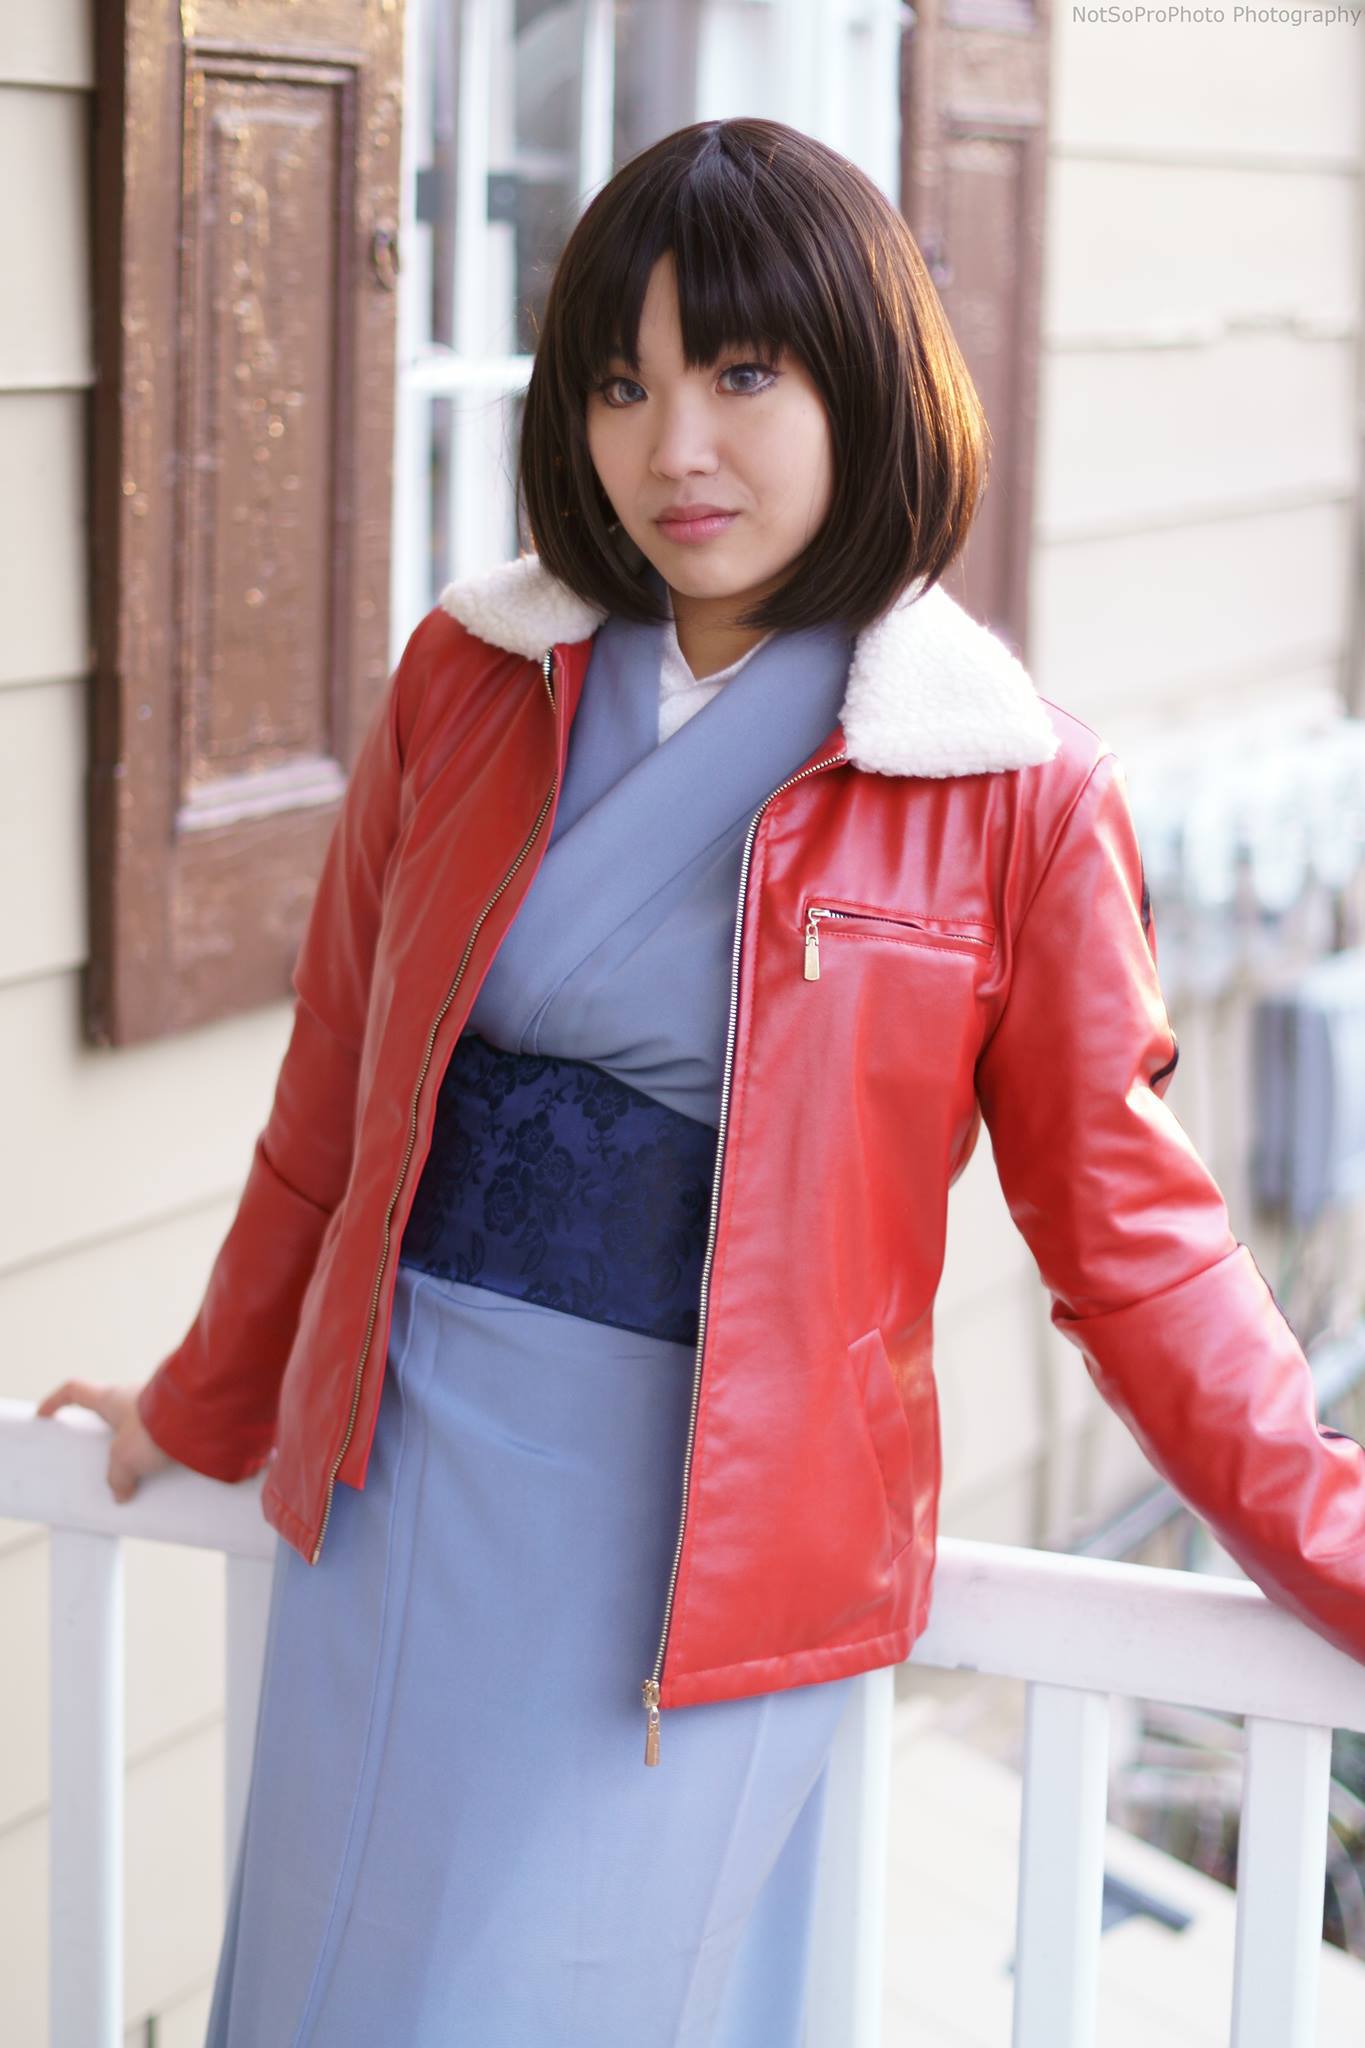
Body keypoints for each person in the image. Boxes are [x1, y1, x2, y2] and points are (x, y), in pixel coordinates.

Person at [36, 117, 1365, 2043]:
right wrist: (204, 1396)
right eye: (619, 383)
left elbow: (1131, 1244)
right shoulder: (467, 681)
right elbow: (333, 1107)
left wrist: (1334, 1543)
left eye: (741, 374)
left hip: (699, 1550)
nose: (673, 447)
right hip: (401, 1475)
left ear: (866, 384)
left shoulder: (1006, 787)